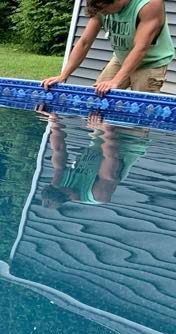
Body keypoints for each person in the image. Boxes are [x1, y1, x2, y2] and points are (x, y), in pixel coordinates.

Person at [41, 0, 174, 96]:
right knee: (97, 101)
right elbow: (84, 42)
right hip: (121, 57)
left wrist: (116, 81)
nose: (103, 14)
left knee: (139, 119)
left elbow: (140, 48)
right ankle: (104, 133)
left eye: (104, 10)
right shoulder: (100, 5)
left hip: (149, 62)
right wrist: (63, 75)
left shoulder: (149, 4)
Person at [40, 111, 150, 208]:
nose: (55, 181)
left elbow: (59, 149)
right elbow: (111, 156)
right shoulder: (98, 195)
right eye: (56, 185)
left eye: (52, 184)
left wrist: (53, 120)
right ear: (68, 196)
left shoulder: (57, 184)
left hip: (102, 136)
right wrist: (106, 126)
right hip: (132, 139)